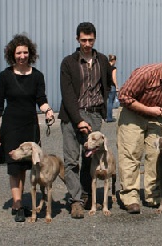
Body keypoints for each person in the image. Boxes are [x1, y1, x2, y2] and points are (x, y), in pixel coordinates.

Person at [0, 34, 54, 222]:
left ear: (30, 53)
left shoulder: (37, 76)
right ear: (13, 54)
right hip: (10, 126)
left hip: (30, 126)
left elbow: (41, 100)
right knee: (14, 166)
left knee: (26, 166)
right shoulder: (5, 76)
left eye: (25, 52)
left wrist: (48, 111)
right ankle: (18, 203)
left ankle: (19, 201)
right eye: (19, 52)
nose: (22, 56)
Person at [117, 53, 162, 214]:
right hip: (132, 114)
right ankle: (130, 198)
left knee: (156, 155)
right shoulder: (146, 73)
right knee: (130, 155)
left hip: (155, 116)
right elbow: (123, 96)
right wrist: (148, 109)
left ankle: (153, 196)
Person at [58, 22, 113, 219]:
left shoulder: (103, 60)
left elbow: (107, 84)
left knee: (90, 157)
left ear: (95, 39)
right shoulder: (68, 62)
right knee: (72, 160)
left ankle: (87, 194)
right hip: (72, 116)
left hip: (95, 114)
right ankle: (76, 201)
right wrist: (78, 119)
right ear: (77, 39)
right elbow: (67, 94)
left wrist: (101, 111)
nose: (87, 44)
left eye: (90, 40)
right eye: (83, 40)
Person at [106, 54, 118, 122]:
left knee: (107, 102)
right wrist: (116, 86)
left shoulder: (105, 67)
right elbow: (114, 78)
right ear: (113, 60)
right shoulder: (113, 68)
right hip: (112, 86)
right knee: (110, 102)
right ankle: (109, 118)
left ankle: (106, 116)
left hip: (106, 86)